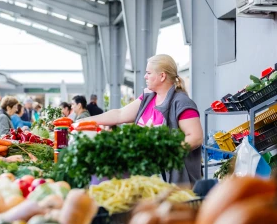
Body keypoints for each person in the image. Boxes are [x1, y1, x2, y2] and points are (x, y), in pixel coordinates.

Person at [78, 54, 203, 184]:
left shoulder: (181, 102)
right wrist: (83, 122)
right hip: (147, 175)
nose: (145, 77)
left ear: (162, 76)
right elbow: (119, 114)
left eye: (148, 73)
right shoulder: (148, 98)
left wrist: (164, 153)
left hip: (173, 180)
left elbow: (196, 137)